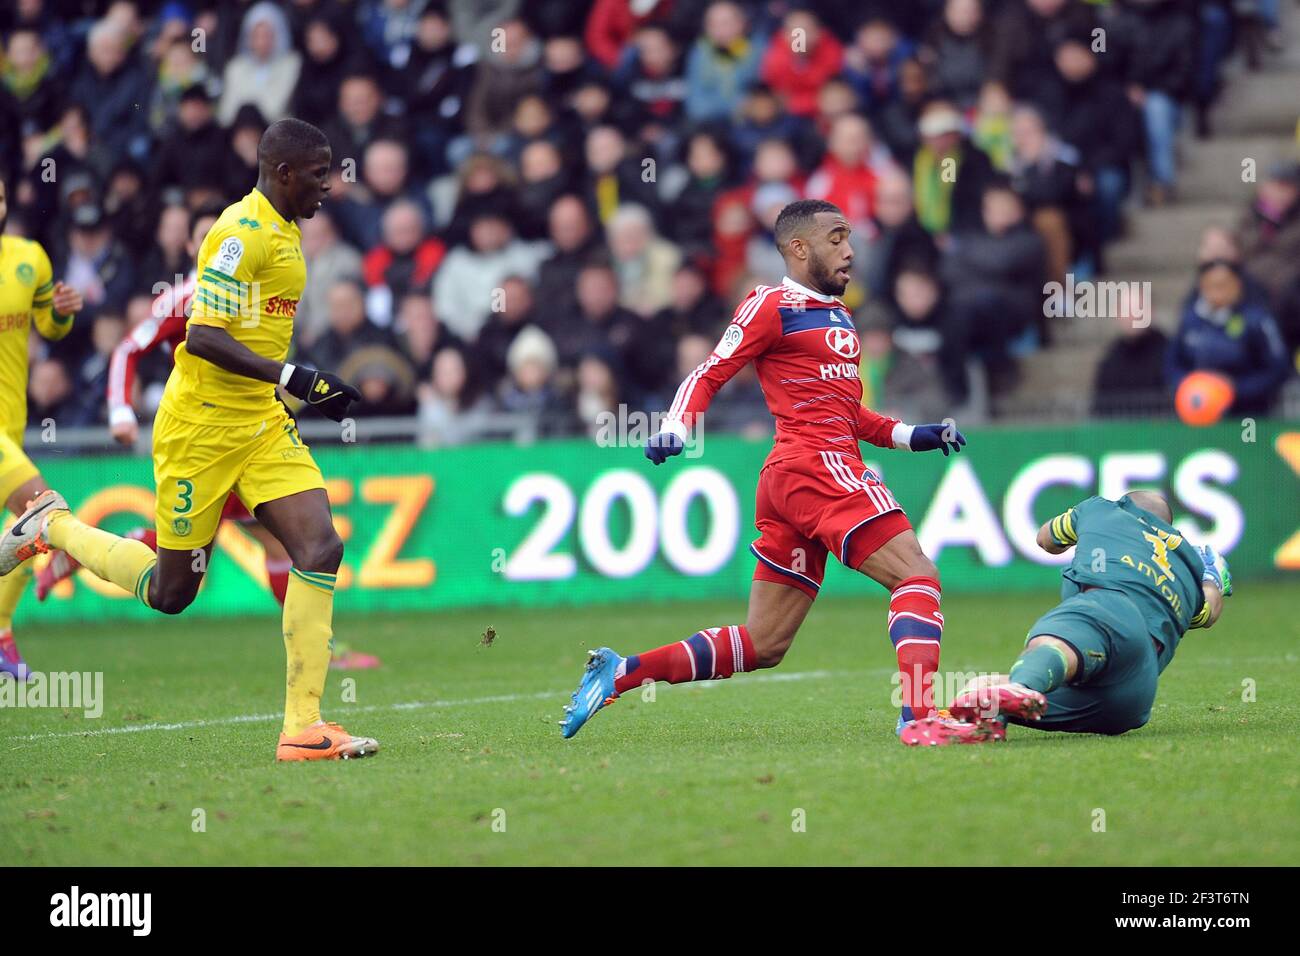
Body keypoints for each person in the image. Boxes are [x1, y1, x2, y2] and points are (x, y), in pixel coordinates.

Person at [0, 119, 378, 761]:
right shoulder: (239, 234)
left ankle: (303, 729)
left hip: (260, 423)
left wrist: (292, 389)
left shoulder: (287, 233)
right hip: (198, 430)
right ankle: (53, 528)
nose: (328, 184)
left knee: (320, 545)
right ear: (283, 173)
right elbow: (201, 337)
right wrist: (297, 377)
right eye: (319, 173)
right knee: (173, 594)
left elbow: (254, 336)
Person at [560, 199, 968, 741]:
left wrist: (916, 435)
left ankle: (622, 671)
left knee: (763, 644)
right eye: (837, 238)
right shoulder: (770, 305)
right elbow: (709, 372)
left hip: (795, 480)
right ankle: (919, 719)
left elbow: (852, 416)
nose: (850, 250)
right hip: (816, 470)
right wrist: (678, 428)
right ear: (799, 248)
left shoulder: (838, 315)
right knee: (916, 575)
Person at [34, 203, 381, 671]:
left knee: (282, 545)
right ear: (192, 247)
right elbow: (129, 348)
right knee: (181, 580)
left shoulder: (257, 285)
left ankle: (319, 663)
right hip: (202, 439)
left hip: (253, 433)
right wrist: (120, 411)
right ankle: (82, 539)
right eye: (203, 238)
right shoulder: (186, 297)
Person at [901, 491, 1230, 744]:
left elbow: (1046, 539)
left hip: (1109, 608)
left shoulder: (1103, 509)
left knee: (1057, 639)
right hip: (1132, 699)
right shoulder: (1188, 569)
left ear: (1125, 505)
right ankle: (983, 723)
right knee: (982, 689)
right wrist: (1212, 579)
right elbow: (1207, 614)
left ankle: (1022, 686)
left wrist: (1084, 527)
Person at [0, 174, 84, 679]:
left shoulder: (29, 256)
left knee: (30, 522)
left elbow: (49, 327)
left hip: (12, 421)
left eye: (1, 198)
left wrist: (62, 314)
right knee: (41, 510)